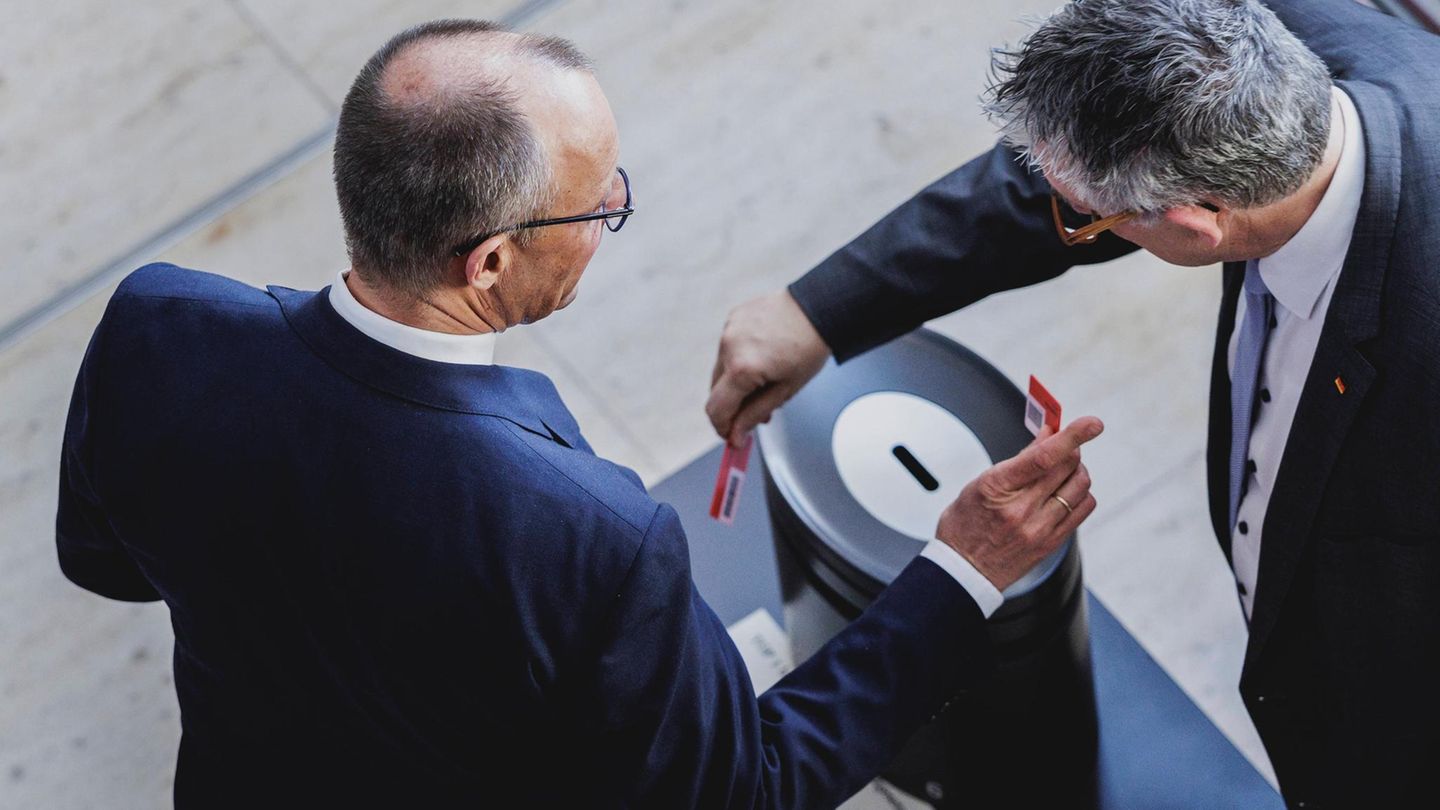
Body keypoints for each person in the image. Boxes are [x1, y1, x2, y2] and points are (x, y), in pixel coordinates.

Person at [56, 19, 1104, 809]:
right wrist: (963, 568)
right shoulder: (590, 537)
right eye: (602, 204)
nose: (611, 216)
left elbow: (102, 560)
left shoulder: (161, 323)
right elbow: (747, 789)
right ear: (491, 262)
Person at [707, 0, 1440, 805]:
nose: (1062, 214)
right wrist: (821, 309)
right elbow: (1053, 182)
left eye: (1091, 222)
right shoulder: (1261, 44)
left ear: (1198, 226)